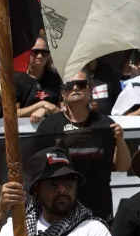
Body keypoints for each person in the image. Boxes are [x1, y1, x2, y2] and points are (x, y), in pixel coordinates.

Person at [34, 71, 130, 223]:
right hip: (59, 210)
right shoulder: (48, 126)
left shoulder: (105, 124)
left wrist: (120, 140)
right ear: (62, 93)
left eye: (81, 84)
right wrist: (65, 144)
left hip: (97, 209)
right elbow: (36, 165)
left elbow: (122, 166)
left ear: (89, 90)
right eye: (69, 85)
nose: (75, 88)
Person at [14, 36, 63, 121]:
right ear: (28, 53)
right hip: (24, 131)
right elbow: (12, 114)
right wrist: (41, 105)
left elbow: (62, 110)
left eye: (44, 52)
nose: (40, 56)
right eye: (35, 52)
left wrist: (44, 110)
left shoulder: (56, 78)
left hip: (52, 129)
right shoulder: (17, 80)